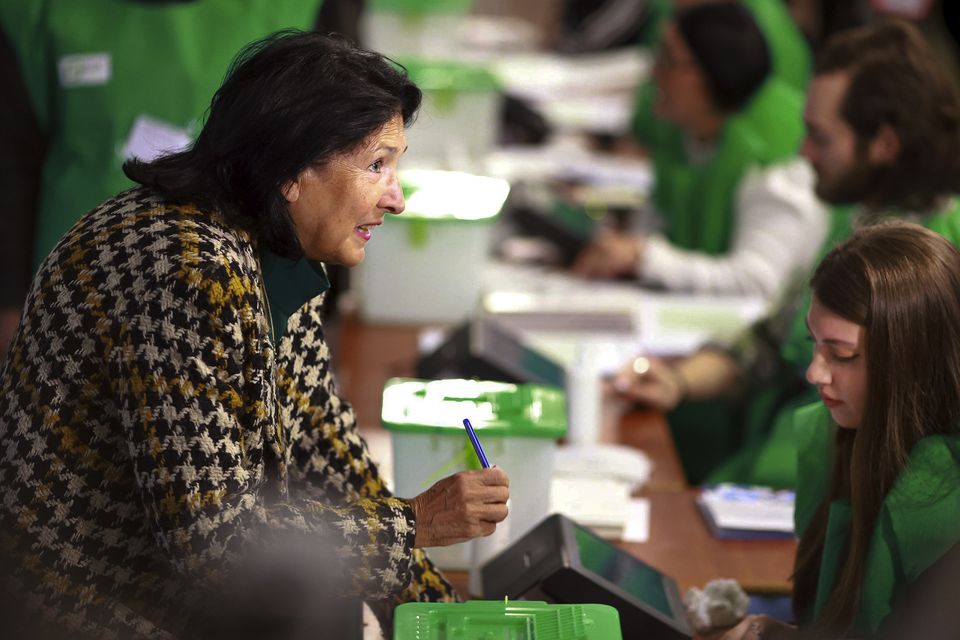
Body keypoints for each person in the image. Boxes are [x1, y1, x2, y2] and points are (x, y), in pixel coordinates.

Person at [0, 30, 510, 639]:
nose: (396, 198)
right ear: (292, 170)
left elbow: (327, 451)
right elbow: (214, 543)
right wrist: (415, 522)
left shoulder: (271, 244)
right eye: (377, 164)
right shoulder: (188, 275)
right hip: (90, 609)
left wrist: (440, 616)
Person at [611, 19, 960, 487]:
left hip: (831, 507)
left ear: (885, 144)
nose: (803, 151)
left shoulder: (940, 257)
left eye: (821, 137)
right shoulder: (854, 215)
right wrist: (679, 381)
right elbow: (776, 342)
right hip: (774, 482)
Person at [0, 0, 365, 357]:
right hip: (76, 296)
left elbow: (346, 152)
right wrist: (10, 300)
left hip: (252, 300)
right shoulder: (30, 13)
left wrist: (331, 302)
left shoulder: (306, 9)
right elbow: (11, 160)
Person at [720, 222, 960, 639]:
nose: (815, 372)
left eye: (843, 355)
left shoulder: (944, 500)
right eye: (814, 343)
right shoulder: (839, 435)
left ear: (913, 362)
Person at [572, 2, 827, 301]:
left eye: (667, 61)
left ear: (712, 70)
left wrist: (646, 259)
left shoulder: (779, 163)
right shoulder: (685, 137)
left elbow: (758, 283)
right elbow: (657, 227)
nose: (654, 75)